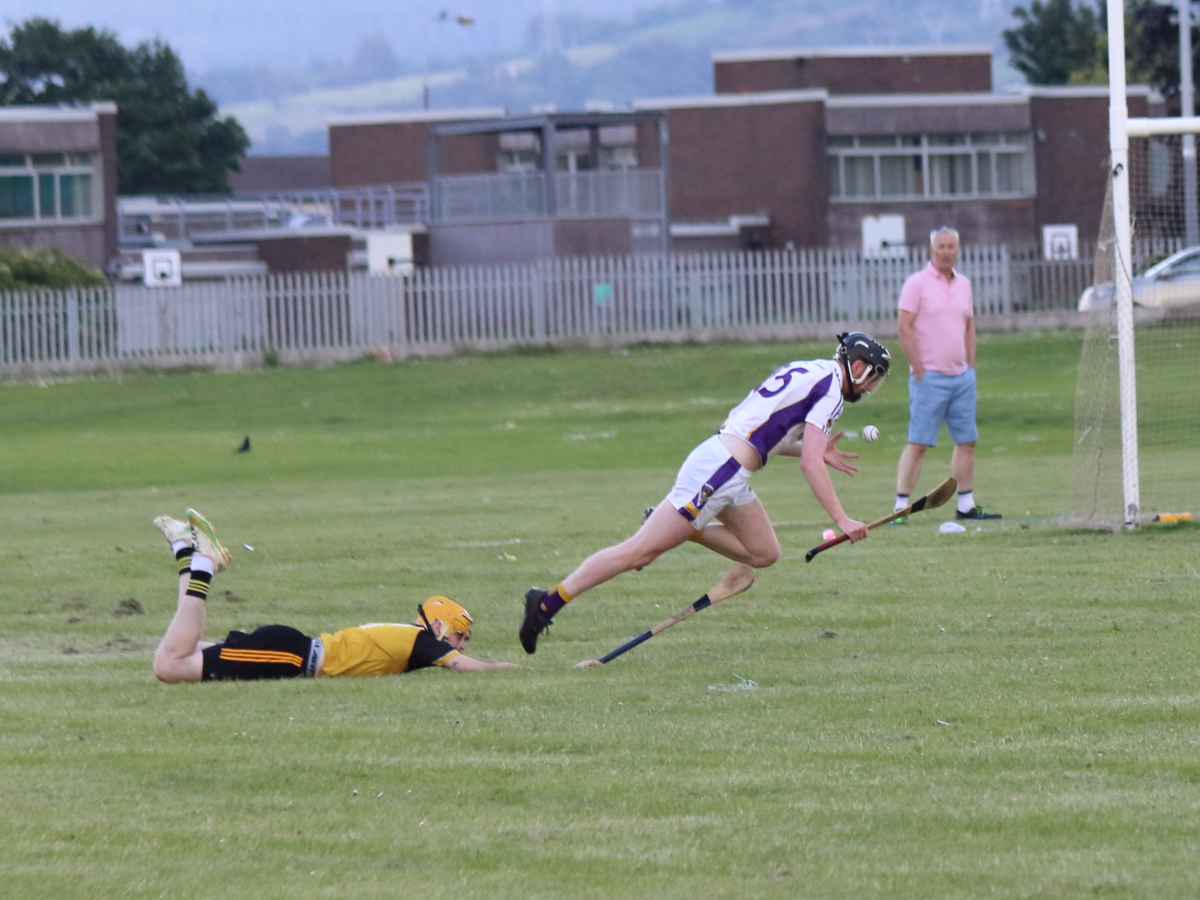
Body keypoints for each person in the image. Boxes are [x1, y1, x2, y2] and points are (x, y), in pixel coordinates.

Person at [518, 332, 891, 654]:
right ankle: (547, 603)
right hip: (720, 471)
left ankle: (690, 529)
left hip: (728, 469)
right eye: (873, 377)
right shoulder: (832, 391)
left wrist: (816, 449)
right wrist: (841, 518)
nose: (871, 387)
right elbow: (809, 464)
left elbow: (760, 431)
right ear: (857, 367)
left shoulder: (810, 370)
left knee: (763, 552)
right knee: (638, 552)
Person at [151, 509, 519, 683]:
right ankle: (202, 565)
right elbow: (467, 668)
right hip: (288, 657)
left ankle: (186, 550)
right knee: (169, 665)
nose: (462, 646)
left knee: (187, 645)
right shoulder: (422, 642)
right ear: (438, 626)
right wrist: (512, 670)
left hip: (290, 648)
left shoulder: (411, 638)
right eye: (460, 635)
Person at [892, 227, 1001, 524]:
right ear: (931, 250)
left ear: (958, 250)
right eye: (941, 246)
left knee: (967, 440)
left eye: (951, 246)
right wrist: (919, 369)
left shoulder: (964, 284)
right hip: (930, 378)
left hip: (961, 378)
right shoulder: (917, 284)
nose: (946, 251)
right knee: (919, 443)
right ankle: (901, 506)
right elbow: (904, 327)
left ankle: (966, 504)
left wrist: (971, 365)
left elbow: (968, 325)